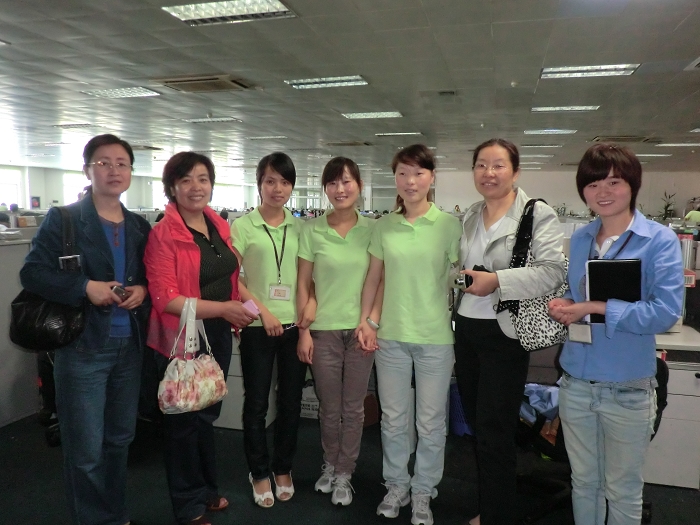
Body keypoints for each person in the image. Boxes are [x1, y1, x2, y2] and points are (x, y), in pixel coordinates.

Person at [19, 133, 151, 525]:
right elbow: (32, 273)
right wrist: (84, 287)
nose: (113, 170)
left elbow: (150, 277)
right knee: (86, 449)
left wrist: (144, 290)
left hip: (129, 347)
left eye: (122, 163)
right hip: (83, 347)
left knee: (120, 440)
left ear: (131, 172)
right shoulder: (65, 219)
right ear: (87, 170)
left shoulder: (140, 226)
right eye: (103, 163)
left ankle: (115, 514)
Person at [549, 144, 683, 525]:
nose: (603, 192)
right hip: (577, 382)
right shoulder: (581, 239)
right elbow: (578, 292)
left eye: (613, 182)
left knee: (622, 491)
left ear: (632, 185)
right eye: (593, 184)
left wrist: (595, 308)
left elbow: (665, 313)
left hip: (627, 388)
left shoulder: (658, 240)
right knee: (583, 483)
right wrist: (566, 304)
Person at [453, 138, 566, 525]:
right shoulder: (471, 214)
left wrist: (498, 280)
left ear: (515, 171)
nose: (489, 173)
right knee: (477, 423)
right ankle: (491, 505)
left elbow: (553, 272)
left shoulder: (536, 214)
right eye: (481, 165)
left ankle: (497, 514)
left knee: (495, 428)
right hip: (467, 328)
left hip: (506, 332)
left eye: (498, 165)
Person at [145, 152, 256, 525]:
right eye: (186, 180)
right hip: (182, 337)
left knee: (206, 412)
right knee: (182, 422)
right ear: (172, 187)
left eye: (203, 178)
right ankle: (187, 504)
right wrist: (224, 308)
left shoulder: (218, 225)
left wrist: (239, 308)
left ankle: (207, 489)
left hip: (216, 332)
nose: (196, 187)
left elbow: (227, 276)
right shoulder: (164, 233)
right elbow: (166, 299)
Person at [357, 144, 461, 525]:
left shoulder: (449, 225)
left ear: (432, 177)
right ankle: (397, 484)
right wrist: (366, 320)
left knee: (431, 422)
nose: (410, 181)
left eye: (418, 173)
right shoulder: (384, 226)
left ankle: (423, 490)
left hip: (435, 337)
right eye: (402, 173)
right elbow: (374, 278)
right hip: (391, 336)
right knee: (393, 418)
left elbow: (461, 276)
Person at [231, 152, 310, 508]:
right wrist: (262, 313)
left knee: (291, 403)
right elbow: (232, 279)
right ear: (259, 184)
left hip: (294, 326)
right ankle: (259, 471)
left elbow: (308, 279)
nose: (278, 189)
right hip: (257, 328)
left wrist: (305, 321)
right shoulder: (243, 226)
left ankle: (283, 467)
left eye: (285, 182)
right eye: (270, 181)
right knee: (257, 403)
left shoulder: (301, 228)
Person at [296, 157, 376, 506]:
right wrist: (303, 331)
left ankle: (345, 472)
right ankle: (330, 465)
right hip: (323, 330)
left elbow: (380, 281)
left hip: (360, 331)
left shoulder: (373, 230)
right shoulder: (311, 230)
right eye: (332, 183)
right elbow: (303, 284)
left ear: (359, 185)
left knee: (353, 408)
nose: (340, 189)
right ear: (325, 188)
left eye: (346, 182)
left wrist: (371, 323)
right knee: (329, 407)